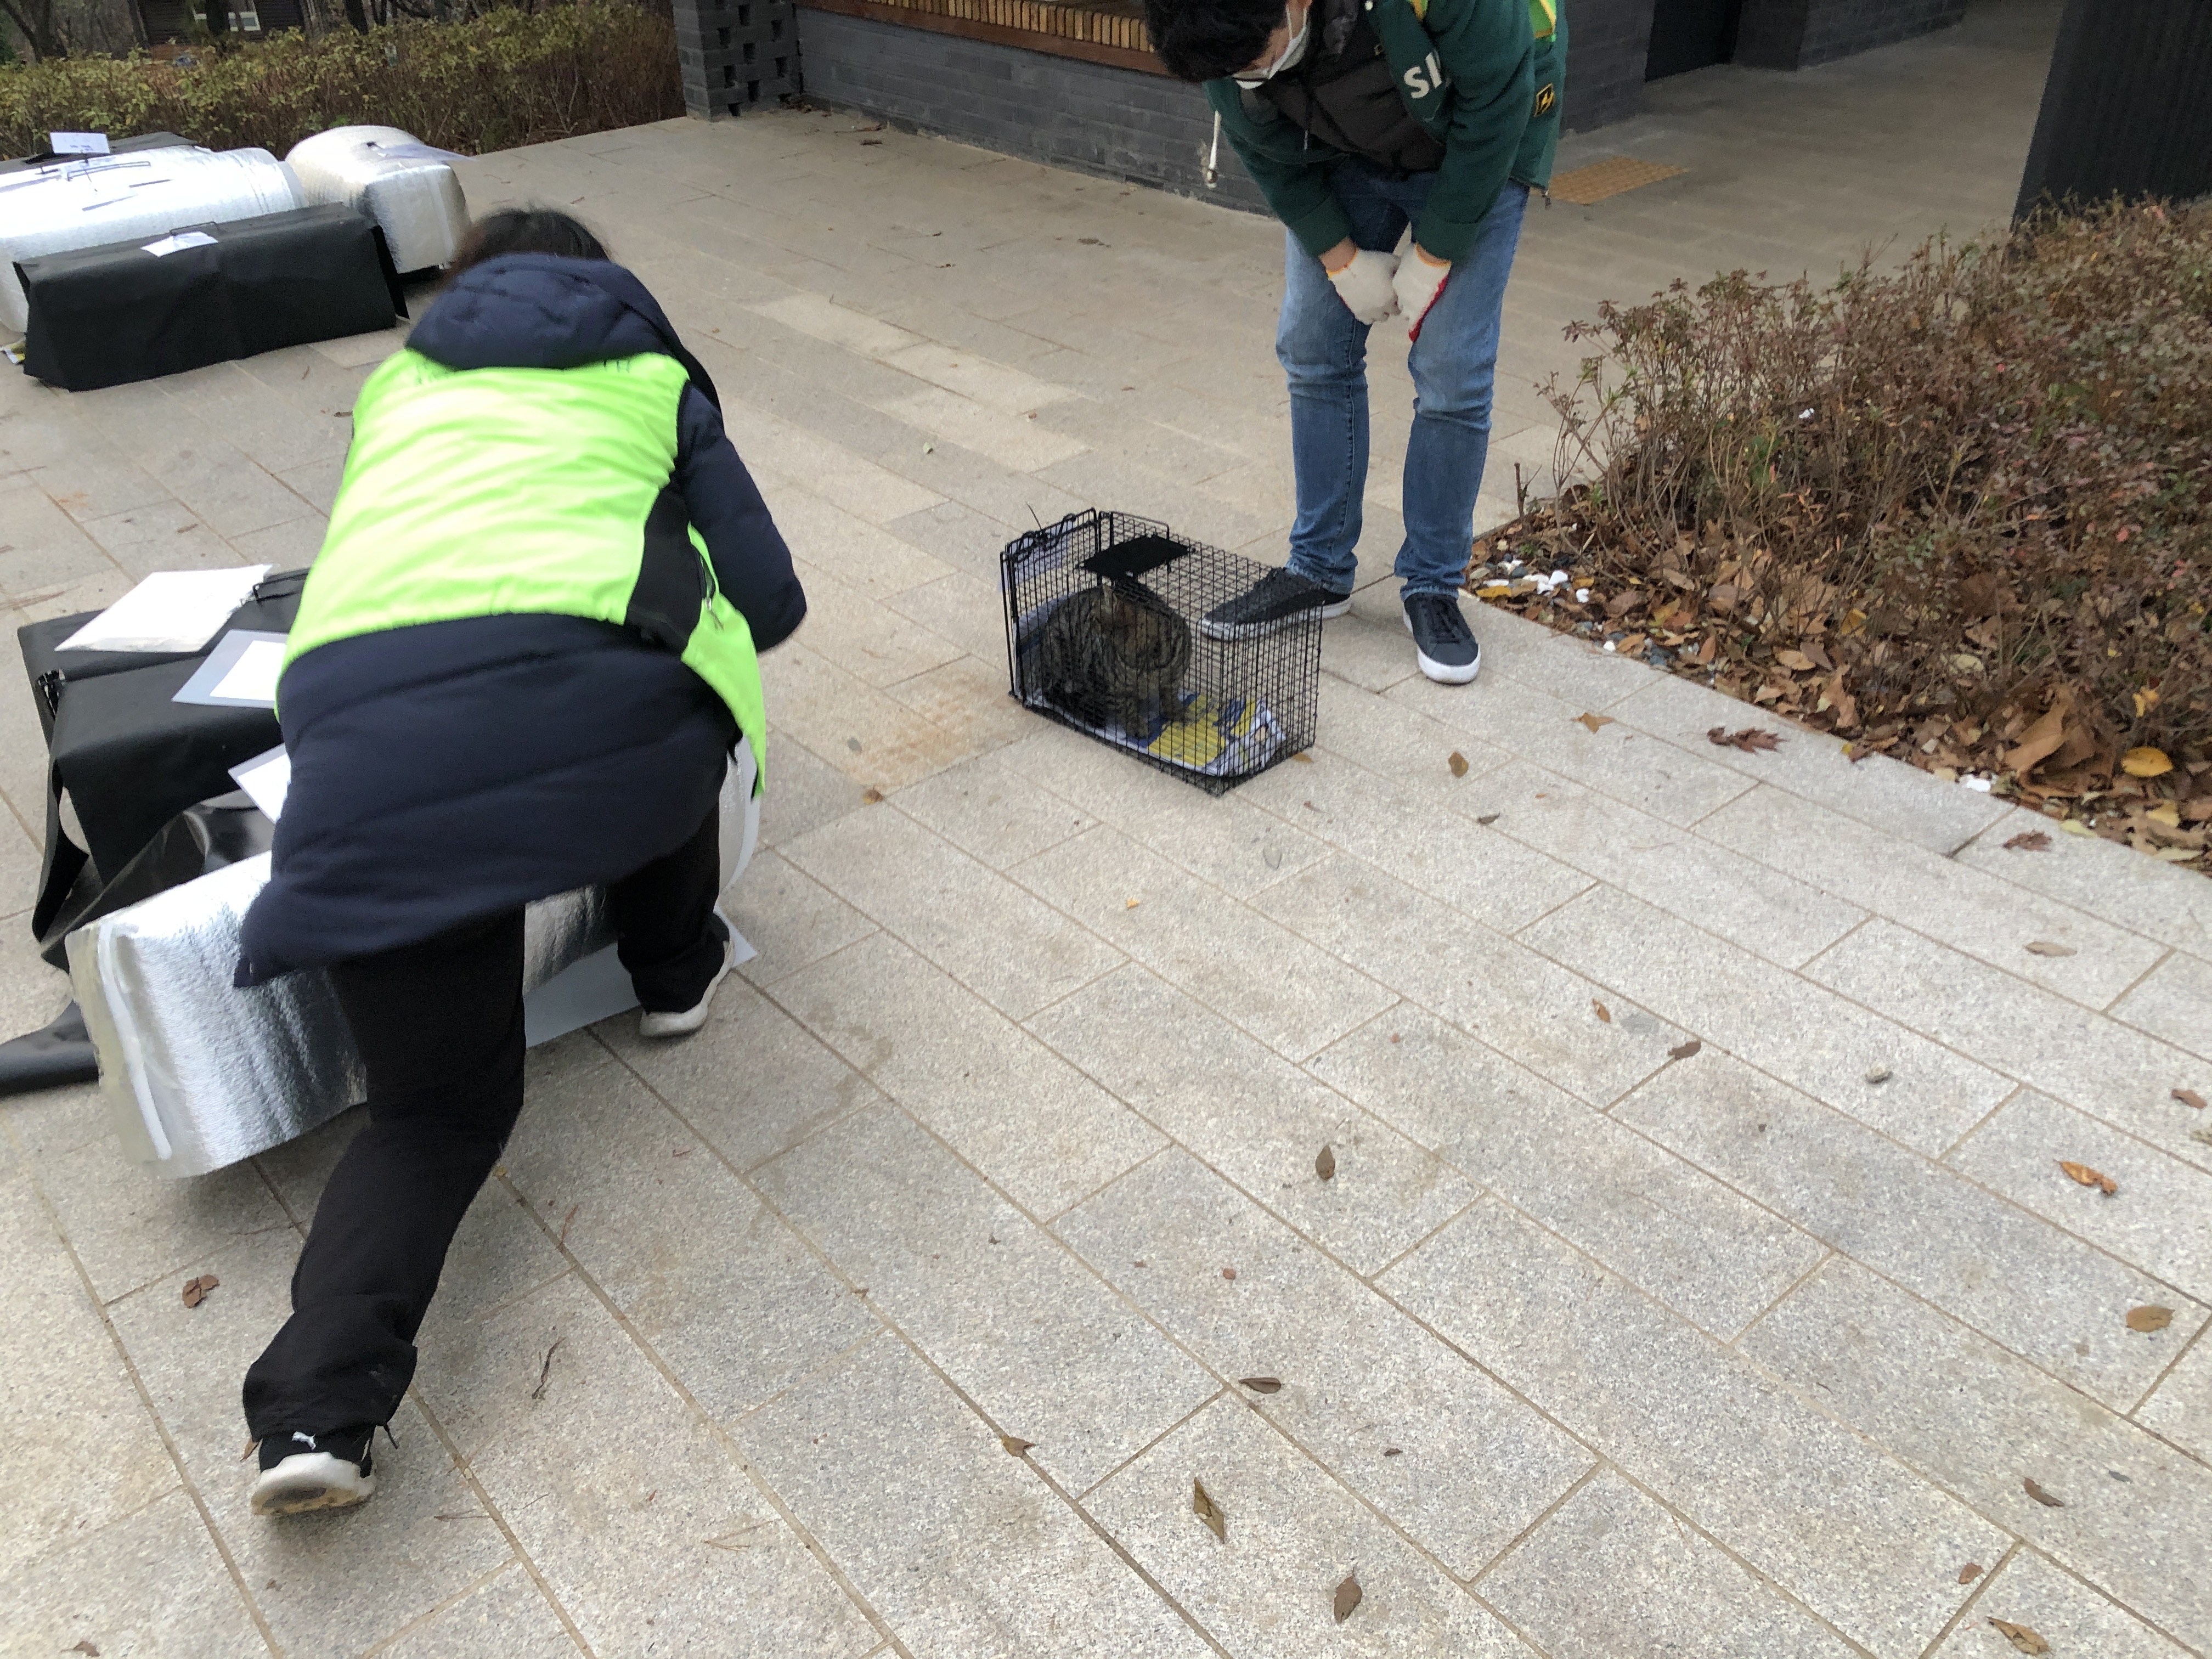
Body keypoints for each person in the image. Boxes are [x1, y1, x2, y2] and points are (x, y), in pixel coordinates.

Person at [236, 207, 805, 1517]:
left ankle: (317, 1412)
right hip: (601, 756)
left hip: (364, 773)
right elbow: (768, 603)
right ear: (608, 288)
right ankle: (674, 973)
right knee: (673, 713)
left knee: (432, 1117)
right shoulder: (654, 383)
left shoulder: (396, 393)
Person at [1147, 0, 1564, 682]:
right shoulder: (1221, 38)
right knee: (1313, 347)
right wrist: (1338, 257)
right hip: (1344, 147)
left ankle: (1432, 582)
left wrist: (1437, 250)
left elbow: (1498, 104)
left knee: (1452, 370)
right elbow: (1262, 147)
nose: (1252, 78)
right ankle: (1318, 569)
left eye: (1259, 61)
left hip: (1482, 136)